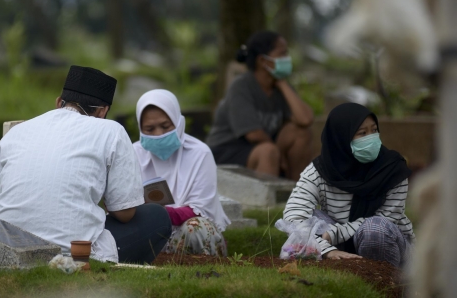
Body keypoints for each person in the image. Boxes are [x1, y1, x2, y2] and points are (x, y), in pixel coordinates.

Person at [0, 65, 172, 264]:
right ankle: (111, 275)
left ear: (59, 102)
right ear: (103, 112)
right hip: (73, 252)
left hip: (6, 248)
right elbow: (124, 213)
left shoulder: (14, 134)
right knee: (157, 217)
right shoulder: (111, 131)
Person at [282, 103, 414, 267]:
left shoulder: (393, 169)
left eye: (374, 130)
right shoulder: (319, 172)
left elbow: (388, 218)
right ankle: (341, 268)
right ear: (341, 138)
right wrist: (326, 250)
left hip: (393, 248)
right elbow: (294, 216)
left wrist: (335, 233)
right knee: (307, 222)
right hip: (338, 246)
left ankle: (385, 282)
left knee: (374, 230)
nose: (371, 138)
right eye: (362, 133)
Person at [133, 89, 230, 256]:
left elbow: (200, 208)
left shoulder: (200, 153)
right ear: (140, 129)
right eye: (149, 129)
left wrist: (157, 213)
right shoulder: (132, 154)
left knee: (197, 228)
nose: (158, 134)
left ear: (178, 122)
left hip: (186, 231)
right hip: (147, 232)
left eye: (165, 126)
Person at [206, 30, 313, 181]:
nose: (287, 59)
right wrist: (278, 153)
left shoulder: (280, 87)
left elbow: (306, 120)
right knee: (268, 152)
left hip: (265, 147)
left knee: (301, 134)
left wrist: (282, 84)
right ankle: (266, 203)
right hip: (228, 152)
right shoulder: (241, 86)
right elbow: (253, 134)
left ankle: (299, 194)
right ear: (263, 60)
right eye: (282, 54)